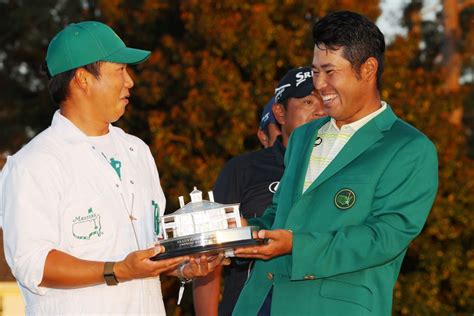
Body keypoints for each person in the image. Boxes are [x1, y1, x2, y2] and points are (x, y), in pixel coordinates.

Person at [0, 21, 225, 315]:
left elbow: (147, 248)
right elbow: (33, 264)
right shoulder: (33, 164)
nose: (130, 81)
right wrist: (118, 270)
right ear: (82, 79)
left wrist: (183, 265)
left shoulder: (137, 151)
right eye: (120, 70)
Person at [232, 11, 438, 316]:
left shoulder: (408, 148)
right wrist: (239, 235)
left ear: (368, 69)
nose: (320, 84)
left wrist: (296, 246)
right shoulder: (302, 136)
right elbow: (279, 214)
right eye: (316, 72)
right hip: (260, 301)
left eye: (330, 72)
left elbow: (384, 237)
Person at [193, 66, 325, 316]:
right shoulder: (243, 169)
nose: (319, 110)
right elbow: (211, 255)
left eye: (324, 100)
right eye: (308, 101)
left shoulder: (342, 169)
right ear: (280, 112)